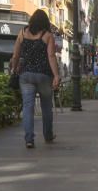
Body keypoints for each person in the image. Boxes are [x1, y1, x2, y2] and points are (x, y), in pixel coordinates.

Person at [10, 9, 61, 149]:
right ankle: (48, 135)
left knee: (28, 107)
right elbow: (51, 56)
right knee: (46, 107)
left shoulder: (22, 33)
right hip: (44, 75)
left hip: (26, 75)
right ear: (45, 22)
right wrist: (56, 75)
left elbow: (15, 55)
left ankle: (29, 139)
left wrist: (14, 70)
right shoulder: (47, 36)